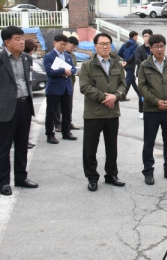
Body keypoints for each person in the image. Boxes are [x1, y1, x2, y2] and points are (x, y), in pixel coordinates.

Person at [0, 26, 37, 196]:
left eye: (22, 38)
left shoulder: (27, 58)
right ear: (7, 42)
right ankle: (4, 182)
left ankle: (21, 177)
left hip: (24, 106)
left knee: (22, 145)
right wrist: (1, 99)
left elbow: (26, 81)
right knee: (3, 148)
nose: (22, 41)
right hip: (5, 109)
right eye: (17, 39)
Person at [79, 33, 127, 192]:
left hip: (112, 114)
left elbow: (123, 86)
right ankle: (92, 178)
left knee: (112, 147)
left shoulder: (117, 65)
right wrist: (105, 98)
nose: (105, 46)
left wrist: (116, 96)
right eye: (102, 44)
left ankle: (111, 175)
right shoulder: (87, 66)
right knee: (90, 148)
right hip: (94, 114)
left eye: (108, 44)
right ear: (95, 46)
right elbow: (85, 87)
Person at [138, 34, 167, 185]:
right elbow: (142, 87)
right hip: (151, 110)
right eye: (156, 46)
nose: (159, 49)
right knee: (149, 142)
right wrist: (156, 102)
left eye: (162, 46)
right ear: (150, 48)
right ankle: (148, 171)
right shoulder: (145, 65)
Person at [43, 34, 78, 144]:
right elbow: (49, 72)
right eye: (62, 44)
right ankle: (50, 134)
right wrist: (63, 71)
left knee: (67, 111)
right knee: (51, 113)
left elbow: (73, 69)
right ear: (55, 43)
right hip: (54, 89)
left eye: (65, 44)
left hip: (67, 87)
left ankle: (66, 132)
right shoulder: (49, 56)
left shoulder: (67, 56)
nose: (63, 46)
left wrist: (69, 72)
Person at [135, 29, 153, 119]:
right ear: (142, 37)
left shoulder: (153, 48)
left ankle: (151, 109)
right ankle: (141, 110)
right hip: (142, 74)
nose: (147, 38)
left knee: (152, 91)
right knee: (142, 92)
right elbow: (137, 60)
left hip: (153, 74)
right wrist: (145, 66)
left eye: (149, 36)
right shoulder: (139, 48)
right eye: (145, 36)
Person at [117, 31, 139, 101]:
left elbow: (119, 53)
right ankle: (123, 96)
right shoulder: (135, 45)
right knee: (128, 80)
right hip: (131, 63)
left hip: (125, 63)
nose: (137, 38)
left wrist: (125, 59)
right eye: (137, 36)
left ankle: (139, 93)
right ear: (134, 36)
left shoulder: (125, 44)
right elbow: (134, 55)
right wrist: (128, 61)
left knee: (132, 79)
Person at [66, 36, 80, 130]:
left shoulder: (73, 55)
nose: (73, 48)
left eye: (75, 46)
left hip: (71, 82)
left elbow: (74, 67)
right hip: (63, 82)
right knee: (60, 106)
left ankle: (68, 122)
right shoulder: (61, 54)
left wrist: (77, 72)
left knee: (69, 105)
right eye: (72, 45)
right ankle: (58, 123)